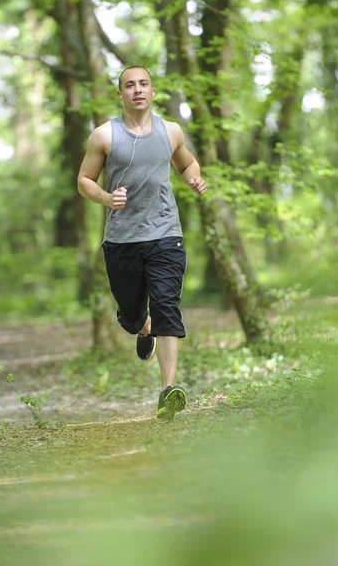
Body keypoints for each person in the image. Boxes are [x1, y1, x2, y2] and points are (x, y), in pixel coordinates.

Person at [77, 65, 207, 420]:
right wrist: (106, 198)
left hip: (166, 235)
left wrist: (194, 179)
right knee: (132, 315)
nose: (137, 90)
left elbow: (188, 164)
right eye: (129, 85)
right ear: (120, 95)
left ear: (152, 91)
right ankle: (142, 326)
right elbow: (84, 180)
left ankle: (168, 391)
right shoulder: (104, 136)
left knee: (168, 306)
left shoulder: (171, 131)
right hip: (121, 241)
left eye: (143, 84)